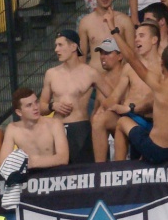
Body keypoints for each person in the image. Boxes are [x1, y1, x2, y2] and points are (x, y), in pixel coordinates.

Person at [109, 19, 168, 164]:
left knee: (121, 122)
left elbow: (131, 58)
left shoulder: (159, 84)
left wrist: (114, 31)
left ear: (162, 63)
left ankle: (118, 170)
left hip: (156, 150)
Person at [38, 29, 113, 164]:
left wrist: (101, 109)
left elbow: (113, 97)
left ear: (73, 47)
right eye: (56, 45)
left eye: (60, 45)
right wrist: (52, 106)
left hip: (80, 129)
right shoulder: (51, 74)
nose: (56, 49)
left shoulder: (90, 73)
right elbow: (41, 107)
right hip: (57, 128)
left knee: (84, 170)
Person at [94, 25, 159, 162]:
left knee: (122, 122)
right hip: (131, 116)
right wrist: (104, 107)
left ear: (154, 40)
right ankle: (101, 168)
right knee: (99, 120)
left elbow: (158, 98)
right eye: (135, 36)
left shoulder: (163, 67)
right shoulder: (129, 67)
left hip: (154, 120)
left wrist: (130, 108)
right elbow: (115, 96)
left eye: (141, 36)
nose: (136, 39)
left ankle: (120, 165)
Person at [0, 88, 69, 169]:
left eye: (36, 102)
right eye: (29, 105)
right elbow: (2, 163)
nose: (35, 107)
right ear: (19, 112)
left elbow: (63, 158)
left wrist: (32, 162)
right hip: (28, 174)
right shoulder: (13, 129)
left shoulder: (54, 124)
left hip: (53, 172)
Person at [77, 0, 135, 69]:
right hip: (95, 75)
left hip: (120, 75)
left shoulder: (125, 21)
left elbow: (133, 56)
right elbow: (82, 57)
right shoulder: (85, 22)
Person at [89, 38, 128, 162]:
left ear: (120, 56)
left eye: (107, 53)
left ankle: (101, 167)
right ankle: (100, 167)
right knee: (97, 119)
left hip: (126, 120)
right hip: (105, 127)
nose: (102, 57)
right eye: (101, 53)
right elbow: (96, 107)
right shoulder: (100, 78)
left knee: (100, 119)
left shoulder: (127, 74)